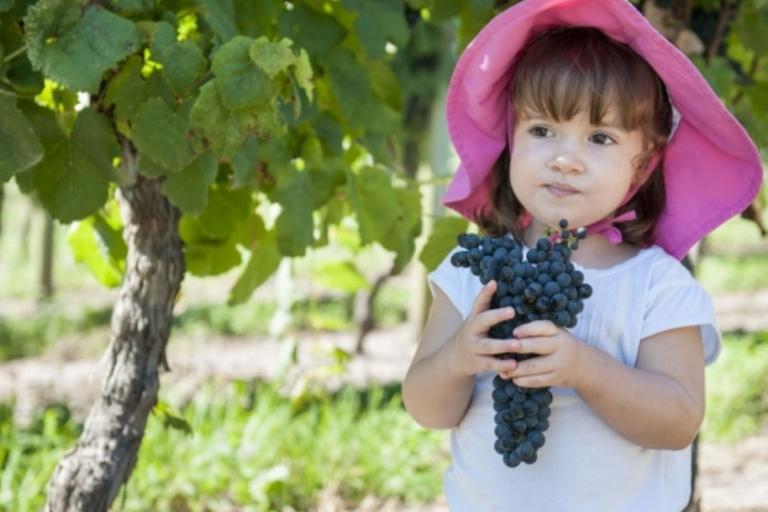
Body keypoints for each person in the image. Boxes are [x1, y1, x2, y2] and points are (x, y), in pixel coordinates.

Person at [401, 0, 763, 510]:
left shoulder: (658, 286)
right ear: (511, 139)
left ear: (642, 165)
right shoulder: (474, 276)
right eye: (542, 130)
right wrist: (458, 358)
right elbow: (425, 407)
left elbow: (678, 422)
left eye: (599, 137)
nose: (565, 159)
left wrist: (585, 369)